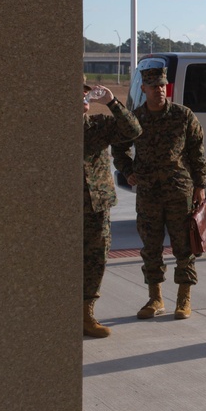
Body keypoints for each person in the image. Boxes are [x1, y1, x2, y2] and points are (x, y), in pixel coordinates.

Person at [114, 63, 206, 321]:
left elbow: (196, 152)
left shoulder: (183, 116)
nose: (159, 91)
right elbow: (119, 149)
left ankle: (183, 299)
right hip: (148, 194)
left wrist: (200, 186)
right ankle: (155, 298)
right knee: (151, 248)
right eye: (153, 87)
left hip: (179, 191)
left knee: (184, 247)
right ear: (143, 89)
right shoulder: (135, 119)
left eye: (162, 86)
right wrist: (126, 170)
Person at [82, 77, 142, 338]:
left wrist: (112, 102)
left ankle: (86, 313)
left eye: (85, 93)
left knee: (96, 261)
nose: (83, 98)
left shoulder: (98, 125)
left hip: (96, 207)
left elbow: (133, 130)